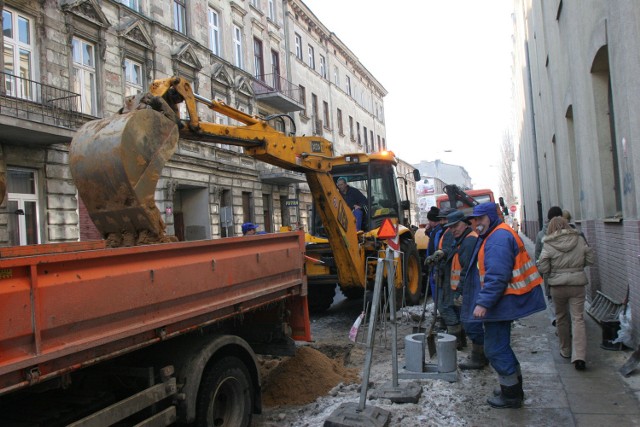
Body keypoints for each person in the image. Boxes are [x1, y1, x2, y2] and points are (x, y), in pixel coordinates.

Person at [461, 202, 546, 409]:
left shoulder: (497, 238)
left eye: (480, 219)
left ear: (490, 217)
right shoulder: (495, 234)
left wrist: (483, 303)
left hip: (501, 303)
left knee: (495, 349)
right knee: (501, 347)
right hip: (504, 301)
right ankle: (513, 387)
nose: (476, 224)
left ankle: (511, 396)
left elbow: (497, 276)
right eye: (474, 220)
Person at [537, 216, 594, 371]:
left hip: (558, 286)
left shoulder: (548, 244)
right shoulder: (579, 239)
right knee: (578, 319)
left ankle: (565, 350)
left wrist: (552, 271)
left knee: (561, 317)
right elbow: (590, 259)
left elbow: (543, 268)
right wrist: (578, 266)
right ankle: (580, 356)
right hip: (577, 284)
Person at [535, 206, 563, 300]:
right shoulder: (569, 232)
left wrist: (543, 274)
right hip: (570, 279)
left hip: (551, 279)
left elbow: (538, 258)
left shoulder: (541, 235)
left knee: (558, 311)